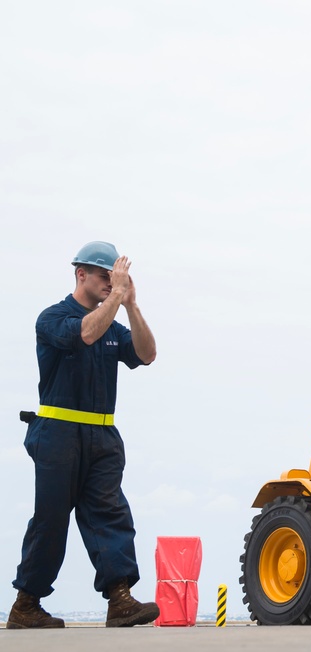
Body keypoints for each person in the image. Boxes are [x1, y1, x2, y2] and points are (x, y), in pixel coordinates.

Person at [7, 242, 160, 629]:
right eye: (105, 276)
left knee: (110, 514)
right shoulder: (53, 318)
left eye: (116, 277)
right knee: (51, 520)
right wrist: (115, 302)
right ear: (81, 274)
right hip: (58, 434)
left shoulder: (114, 324)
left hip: (102, 436)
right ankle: (27, 604)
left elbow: (146, 354)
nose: (112, 283)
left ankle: (120, 599)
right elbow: (85, 335)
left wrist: (131, 305)